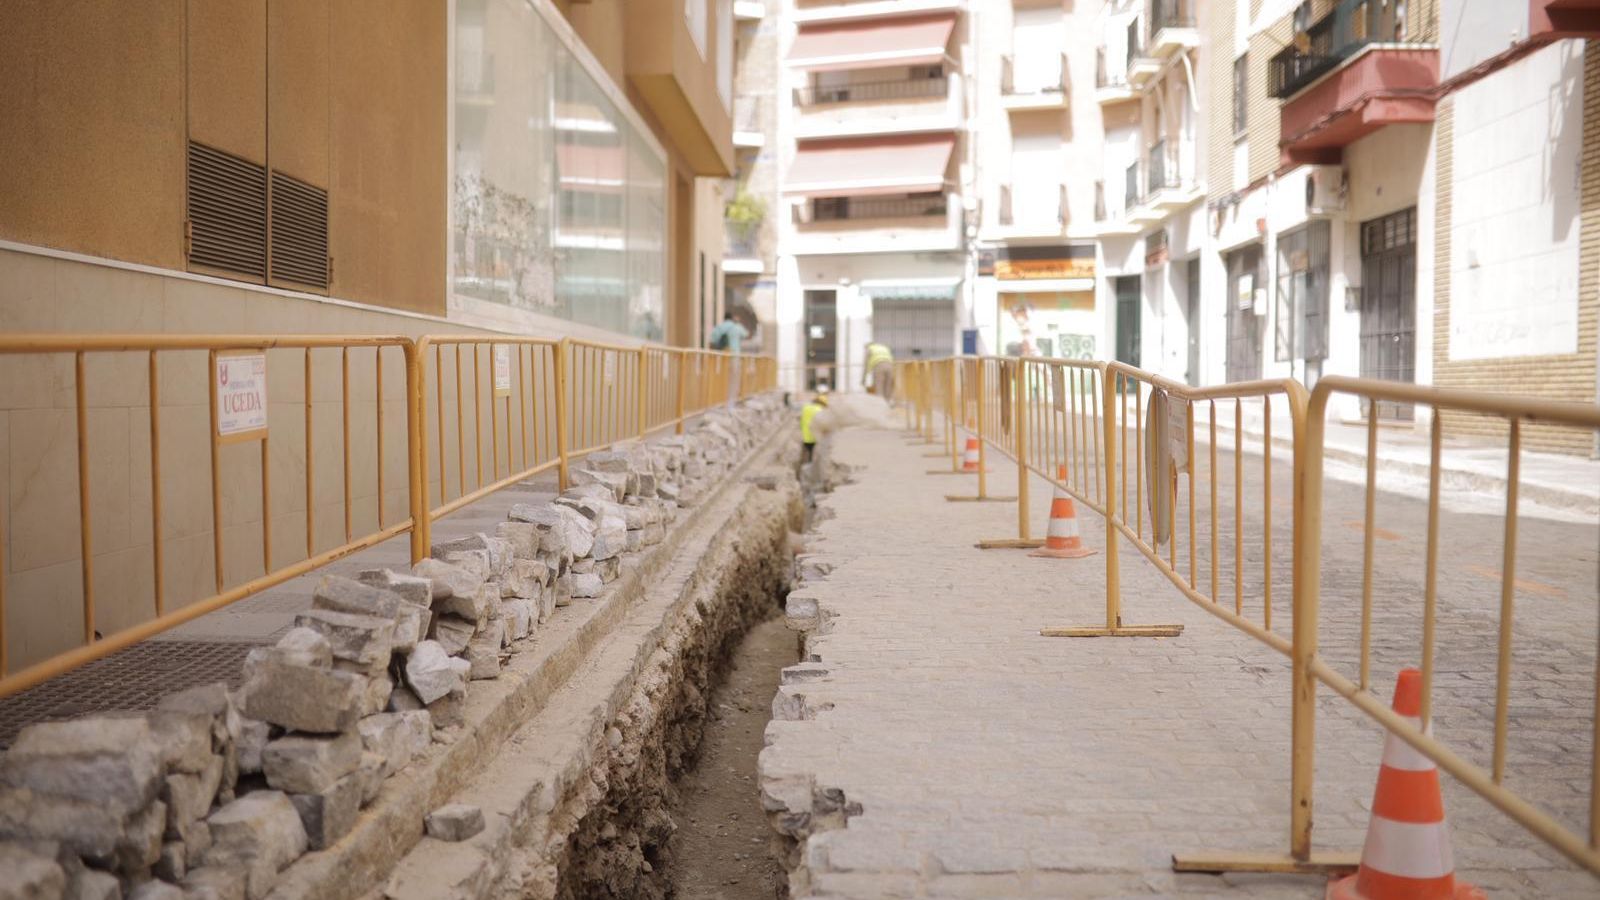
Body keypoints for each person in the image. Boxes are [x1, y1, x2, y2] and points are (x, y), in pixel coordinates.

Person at [708, 312, 750, 407]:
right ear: (732, 318)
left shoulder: (719, 327)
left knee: (720, 379)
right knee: (733, 380)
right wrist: (738, 322)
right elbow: (747, 335)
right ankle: (730, 403)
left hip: (721, 357)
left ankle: (718, 401)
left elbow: (711, 342)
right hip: (734, 356)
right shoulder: (736, 327)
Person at [800, 389, 829, 466]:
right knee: (814, 453)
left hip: (806, 435)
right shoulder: (819, 410)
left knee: (808, 451)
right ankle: (811, 465)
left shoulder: (805, 408)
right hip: (815, 436)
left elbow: (801, 421)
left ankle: (805, 464)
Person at [862, 341, 894, 405]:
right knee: (888, 387)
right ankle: (888, 404)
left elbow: (865, 364)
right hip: (890, 366)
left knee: (879, 388)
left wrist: (863, 378)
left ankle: (880, 405)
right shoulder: (884, 347)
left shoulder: (869, 349)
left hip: (878, 366)